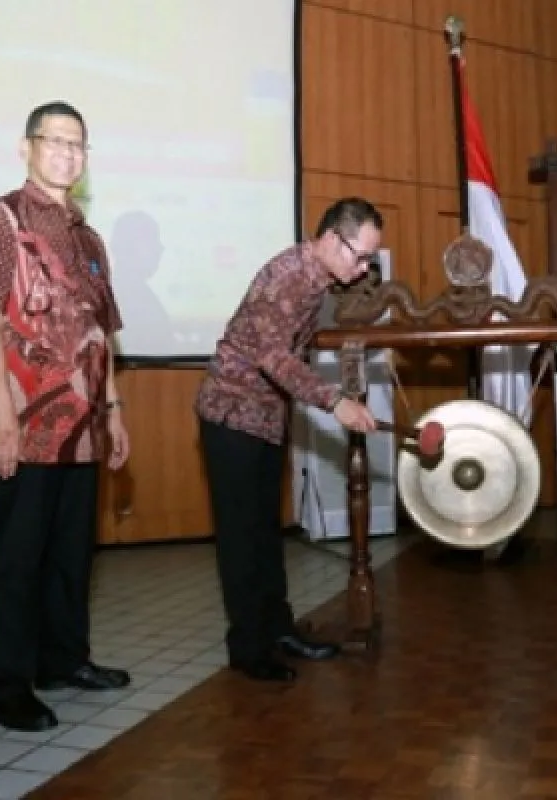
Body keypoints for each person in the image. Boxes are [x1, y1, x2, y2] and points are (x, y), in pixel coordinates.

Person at [0, 101, 130, 732]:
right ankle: (3, 685)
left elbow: (100, 334)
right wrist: (0, 415)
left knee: (69, 552)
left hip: (84, 427)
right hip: (26, 423)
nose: (67, 153)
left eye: (77, 144)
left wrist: (113, 410)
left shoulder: (89, 239)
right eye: (54, 141)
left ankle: (63, 661)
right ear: (26, 148)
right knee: (15, 557)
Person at [195, 197, 379, 682]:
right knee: (241, 539)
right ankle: (248, 649)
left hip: (265, 417)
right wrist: (335, 402)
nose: (363, 269)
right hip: (231, 416)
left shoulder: (318, 281)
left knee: (264, 534)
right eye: (360, 256)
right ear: (331, 238)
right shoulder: (288, 277)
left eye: (369, 261)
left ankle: (277, 630)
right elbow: (273, 358)